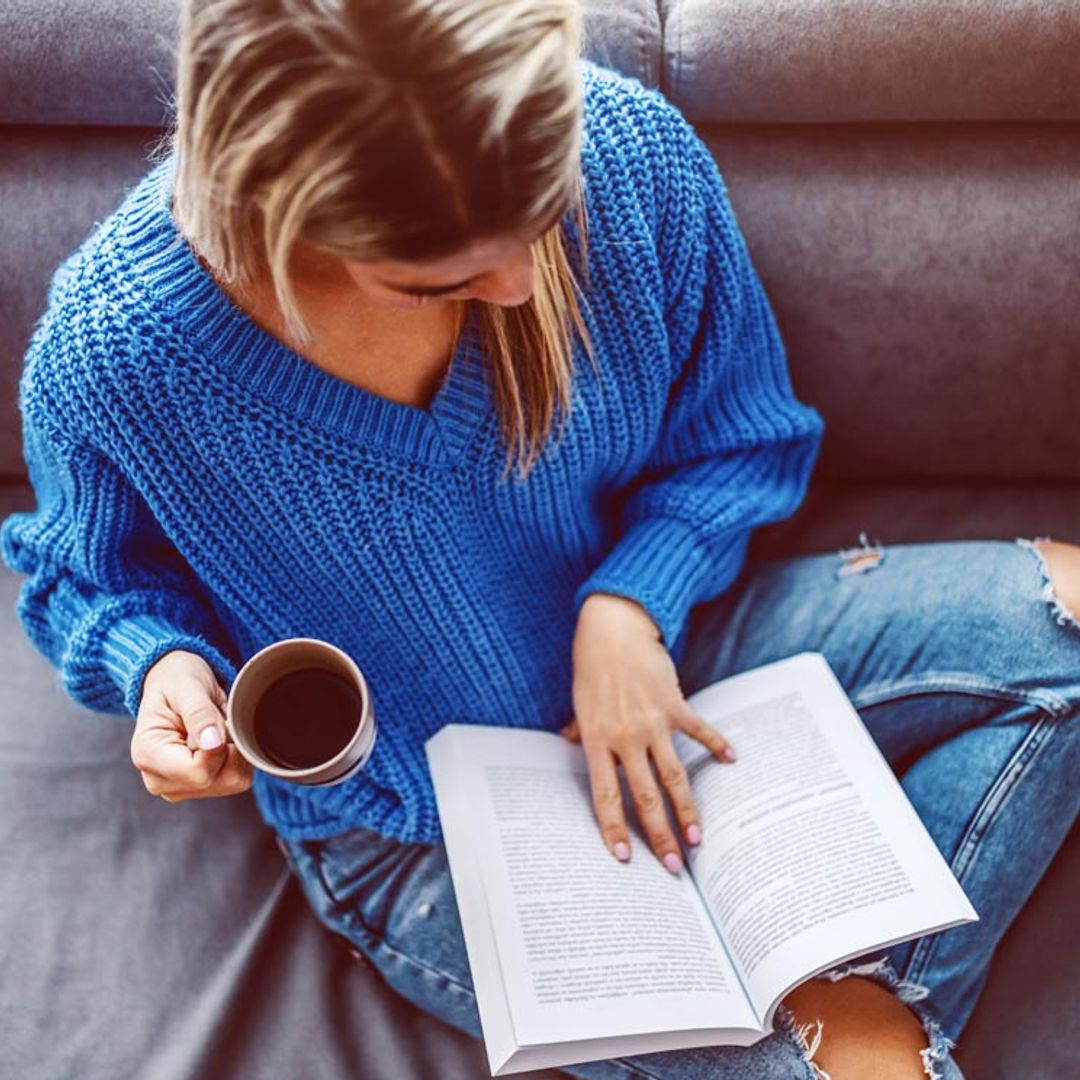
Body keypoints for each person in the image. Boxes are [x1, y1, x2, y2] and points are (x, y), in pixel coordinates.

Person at [3, 1, 1078, 1077]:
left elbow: (742, 441)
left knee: (1068, 614)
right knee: (851, 1063)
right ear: (274, 215)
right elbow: (83, 583)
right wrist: (161, 668)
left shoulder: (628, 152)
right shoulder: (113, 359)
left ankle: (845, 987)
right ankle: (847, 1014)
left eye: (543, 209)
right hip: (420, 826)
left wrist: (628, 612)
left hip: (688, 657)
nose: (520, 284)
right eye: (437, 278)